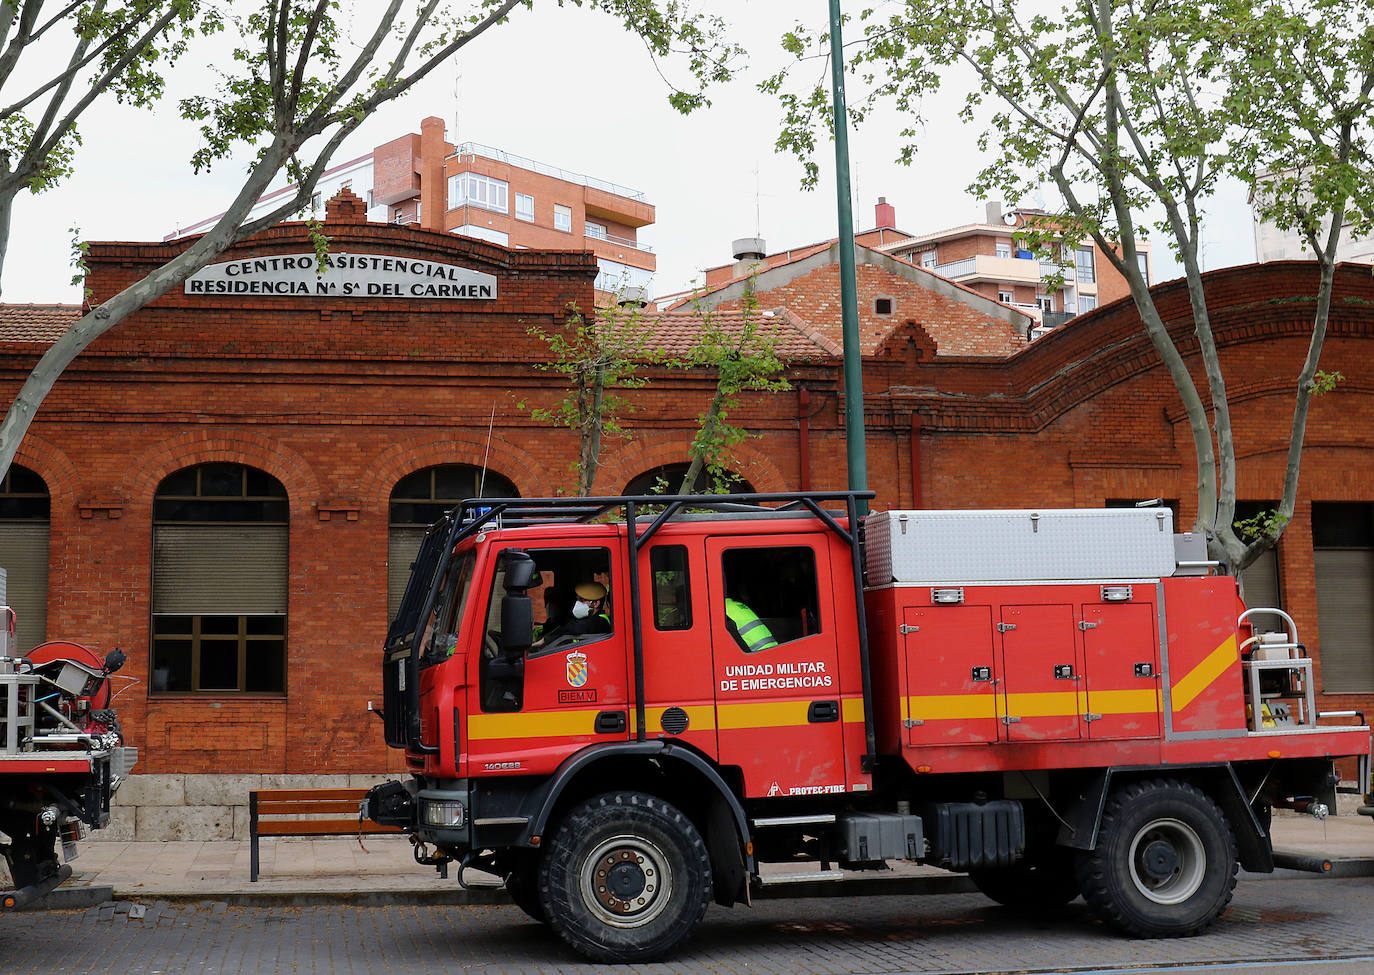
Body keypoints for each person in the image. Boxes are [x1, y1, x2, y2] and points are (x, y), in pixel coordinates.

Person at [544, 581, 612, 642]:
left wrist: (545, 640)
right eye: (577, 599)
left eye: (582, 600)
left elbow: (573, 627)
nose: (577, 603)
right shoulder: (588, 617)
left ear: (595, 604)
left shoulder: (600, 621)